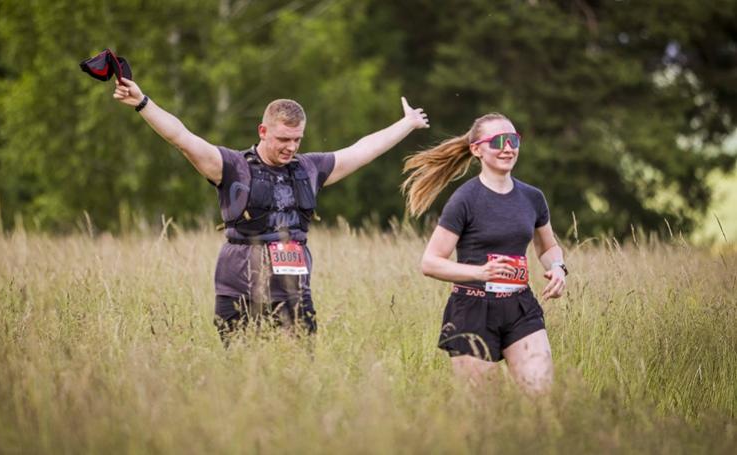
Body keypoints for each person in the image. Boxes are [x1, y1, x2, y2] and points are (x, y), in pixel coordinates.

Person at [113, 77, 429, 343]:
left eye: (297, 139)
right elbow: (181, 137)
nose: (291, 147)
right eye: (283, 139)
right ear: (263, 131)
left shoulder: (310, 168)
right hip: (238, 288)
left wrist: (407, 123)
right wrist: (143, 102)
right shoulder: (231, 166)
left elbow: (362, 150)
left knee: (297, 380)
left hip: (294, 292)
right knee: (243, 378)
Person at [401, 113, 567, 394]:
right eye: (498, 141)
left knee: (541, 396)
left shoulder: (532, 197)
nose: (508, 148)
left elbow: (548, 247)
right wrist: (479, 273)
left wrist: (559, 267)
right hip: (472, 311)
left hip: (520, 307)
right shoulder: (465, 199)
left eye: (513, 140)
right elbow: (429, 263)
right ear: (476, 149)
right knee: (485, 411)